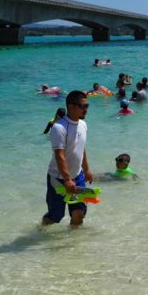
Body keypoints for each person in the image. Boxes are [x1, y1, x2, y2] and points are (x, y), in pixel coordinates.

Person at [42, 90, 94, 227]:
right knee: (55, 217)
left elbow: (81, 148)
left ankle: (74, 245)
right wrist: (67, 179)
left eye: (87, 106)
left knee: (79, 213)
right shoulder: (59, 127)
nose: (86, 110)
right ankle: (41, 229)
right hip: (58, 179)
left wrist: (87, 170)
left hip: (78, 176)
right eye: (83, 106)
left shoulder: (83, 124)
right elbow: (60, 156)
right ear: (71, 107)